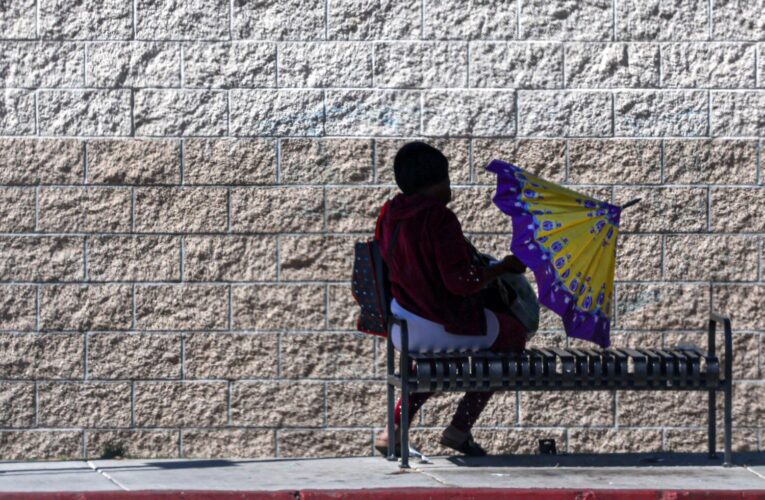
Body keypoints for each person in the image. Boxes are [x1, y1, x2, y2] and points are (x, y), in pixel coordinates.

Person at [373, 141, 528, 457]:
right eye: (448, 179)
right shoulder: (439, 218)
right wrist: (500, 269)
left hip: (402, 320)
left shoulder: (391, 212)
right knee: (513, 334)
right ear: (438, 182)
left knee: (443, 358)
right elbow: (461, 283)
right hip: (435, 321)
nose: (450, 186)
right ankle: (460, 427)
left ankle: (393, 430)